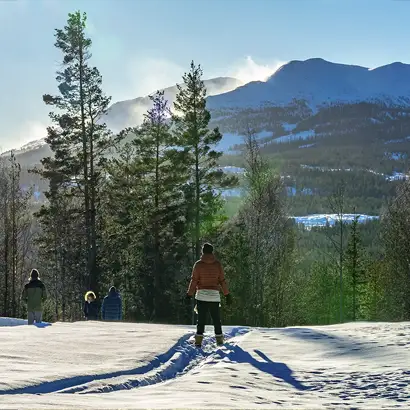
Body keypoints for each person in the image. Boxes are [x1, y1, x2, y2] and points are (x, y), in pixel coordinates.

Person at [186, 243, 232, 347]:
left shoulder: (198, 264)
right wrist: (227, 294)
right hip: (214, 296)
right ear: (212, 252)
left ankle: (198, 341)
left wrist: (189, 294)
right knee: (216, 319)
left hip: (201, 295)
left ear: (202, 252)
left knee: (201, 320)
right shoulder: (217, 264)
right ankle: (219, 341)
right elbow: (222, 281)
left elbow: (194, 281)